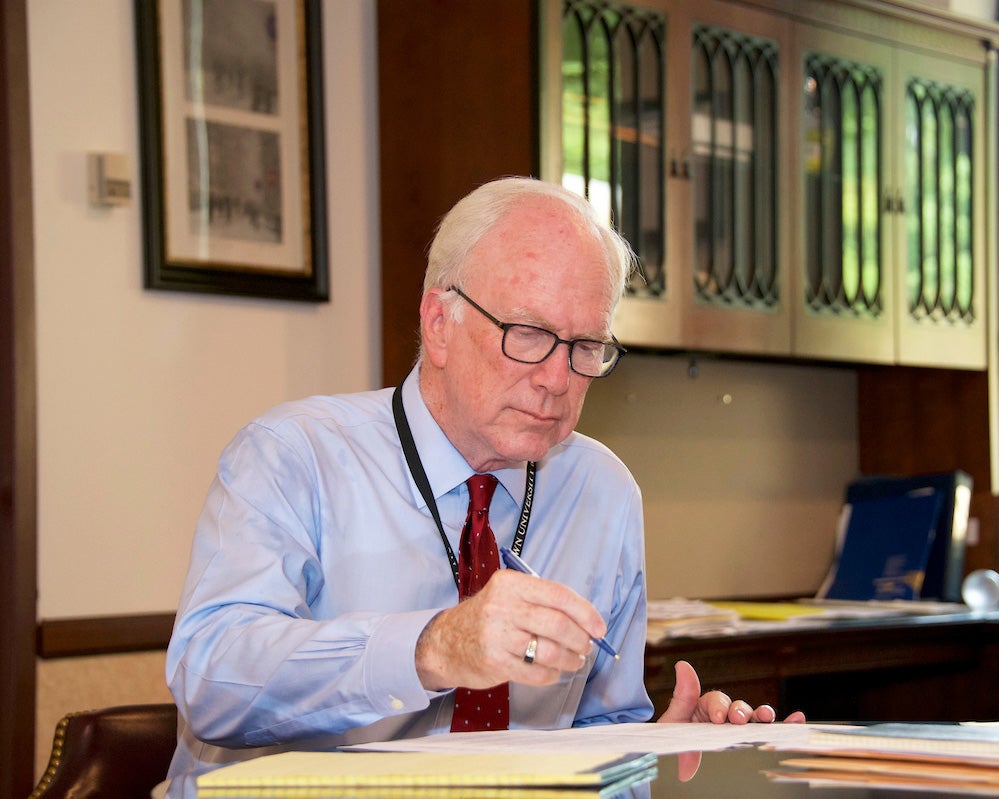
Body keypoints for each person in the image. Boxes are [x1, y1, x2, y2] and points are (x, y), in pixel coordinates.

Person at [164, 176, 803, 788]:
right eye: (528, 334)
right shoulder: (293, 456)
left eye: (586, 345)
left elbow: (600, 732)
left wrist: (661, 758)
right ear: (440, 324)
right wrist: (431, 647)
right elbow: (212, 682)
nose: (558, 378)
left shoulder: (601, 492)